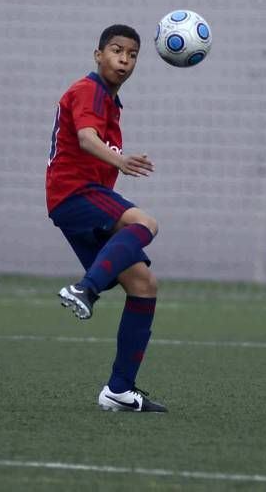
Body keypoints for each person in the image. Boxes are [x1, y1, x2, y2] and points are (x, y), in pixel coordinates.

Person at [45, 24, 166, 412]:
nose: (124, 60)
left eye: (132, 55)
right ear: (98, 55)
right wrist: (121, 161)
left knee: (144, 284)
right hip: (75, 192)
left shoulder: (110, 102)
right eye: (116, 50)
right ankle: (87, 288)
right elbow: (85, 139)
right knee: (145, 223)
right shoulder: (89, 90)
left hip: (80, 198)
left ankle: (119, 390)